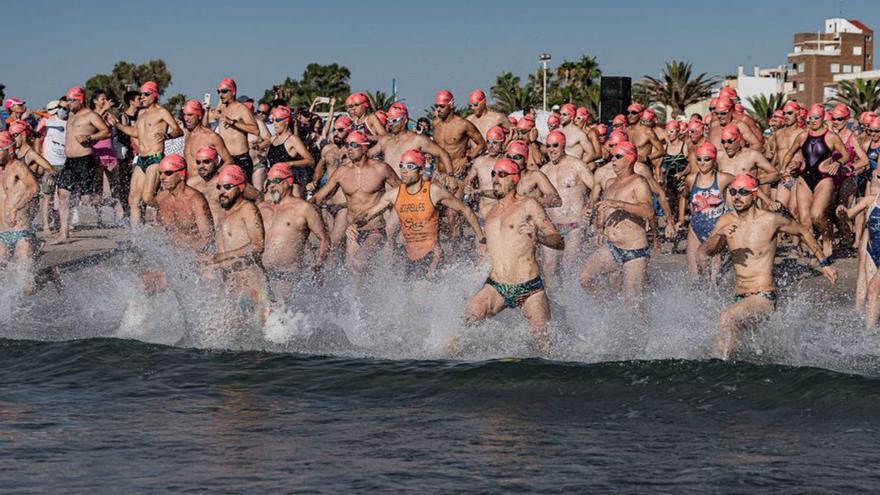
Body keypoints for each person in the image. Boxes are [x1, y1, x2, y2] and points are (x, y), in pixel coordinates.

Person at [700, 173, 837, 360]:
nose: (737, 197)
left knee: (727, 318)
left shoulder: (770, 220)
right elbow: (709, 251)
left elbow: (803, 231)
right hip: (740, 297)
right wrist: (720, 235)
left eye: (743, 192)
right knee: (723, 339)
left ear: (754, 194)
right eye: (733, 192)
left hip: (762, 297)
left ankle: (725, 371)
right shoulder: (725, 222)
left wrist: (824, 264)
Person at [451, 157, 563, 355]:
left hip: (529, 288)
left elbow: (558, 241)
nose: (496, 178)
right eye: (493, 174)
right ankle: (445, 372)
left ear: (515, 179)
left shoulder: (528, 205)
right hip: (496, 286)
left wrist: (538, 237)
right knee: (463, 328)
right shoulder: (490, 211)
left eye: (502, 174)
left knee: (545, 346)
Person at [353, 149, 485, 280]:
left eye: (410, 166)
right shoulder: (394, 194)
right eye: (402, 166)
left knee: (420, 294)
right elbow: (367, 215)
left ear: (421, 170)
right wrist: (353, 224)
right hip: (409, 255)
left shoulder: (433, 191)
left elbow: (465, 210)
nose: (404, 170)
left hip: (432, 254)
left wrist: (481, 239)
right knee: (408, 295)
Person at [312, 131, 400, 274]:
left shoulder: (381, 168)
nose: (349, 149)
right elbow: (319, 197)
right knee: (354, 272)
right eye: (347, 145)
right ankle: (373, 293)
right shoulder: (342, 172)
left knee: (359, 263)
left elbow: (402, 191)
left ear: (365, 147)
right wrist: (304, 206)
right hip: (352, 231)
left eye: (353, 145)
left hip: (374, 229)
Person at [579, 142, 654, 307]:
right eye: (612, 156)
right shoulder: (610, 184)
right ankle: (610, 307)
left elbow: (648, 211)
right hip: (612, 247)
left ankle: (646, 330)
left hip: (634, 250)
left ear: (630, 158)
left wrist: (619, 204)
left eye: (618, 156)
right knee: (585, 278)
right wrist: (599, 228)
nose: (613, 160)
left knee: (632, 304)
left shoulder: (638, 181)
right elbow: (605, 211)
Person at [106, 81, 183, 227]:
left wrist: (167, 136)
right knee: (133, 199)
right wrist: (117, 125)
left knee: (148, 198)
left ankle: (171, 207)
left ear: (154, 95)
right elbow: (135, 132)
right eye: (141, 94)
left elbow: (178, 130)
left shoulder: (162, 112)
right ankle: (136, 239)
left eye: (146, 94)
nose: (142, 97)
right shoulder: (141, 113)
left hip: (155, 157)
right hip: (141, 158)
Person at [781, 103, 851, 257]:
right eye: (810, 118)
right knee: (805, 221)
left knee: (817, 215)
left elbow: (846, 155)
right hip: (805, 178)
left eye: (816, 118)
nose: (812, 121)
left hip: (824, 179)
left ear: (822, 118)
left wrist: (837, 163)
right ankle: (817, 254)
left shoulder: (831, 137)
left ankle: (827, 237)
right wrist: (784, 168)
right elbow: (789, 152)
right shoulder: (802, 136)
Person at [258, 163, 329, 300]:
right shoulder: (262, 208)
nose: (272, 185)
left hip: (287, 276)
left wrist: (318, 265)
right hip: (262, 273)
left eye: (276, 181)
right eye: (269, 181)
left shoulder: (304, 208)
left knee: (280, 316)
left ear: (289, 182)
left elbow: (324, 239)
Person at [210, 164, 270, 325]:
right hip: (232, 286)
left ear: (241, 187)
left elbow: (258, 245)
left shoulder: (248, 209)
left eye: (228, 187)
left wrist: (223, 257)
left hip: (252, 286)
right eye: (219, 187)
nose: (222, 191)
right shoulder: (224, 214)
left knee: (261, 339)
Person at [54, 86, 111, 243]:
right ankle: (64, 234)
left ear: (80, 100)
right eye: (67, 100)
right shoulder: (71, 116)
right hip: (69, 161)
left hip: (85, 160)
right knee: (63, 194)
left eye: (71, 100)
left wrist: (90, 138)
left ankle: (112, 202)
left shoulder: (90, 115)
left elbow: (106, 131)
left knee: (86, 200)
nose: (68, 104)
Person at [539, 130, 594, 286]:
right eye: (548, 146)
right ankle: (558, 304)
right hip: (551, 227)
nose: (551, 149)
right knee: (549, 269)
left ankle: (573, 304)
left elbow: (597, 188)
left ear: (563, 146)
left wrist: (589, 208)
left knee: (569, 267)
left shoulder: (577, 165)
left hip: (574, 225)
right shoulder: (543, 171)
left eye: (555, 145)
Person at [682, 143, 733, 281]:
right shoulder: (691, 179)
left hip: (716, 228)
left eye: (707, 159)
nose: (702, 163)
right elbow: (684, 196)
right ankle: (696, 301)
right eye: (699, 159)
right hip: (695, 228)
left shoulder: (722, 178)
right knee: (694, 276)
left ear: (714, 159)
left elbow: (745, 185)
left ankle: (715, 296)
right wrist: (680, 219)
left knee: (712, 278)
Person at [0, 131, 40, 294]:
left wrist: (16, 208)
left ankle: (48, 276)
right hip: (2, 231)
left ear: (9, 150)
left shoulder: (18, 167)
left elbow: (34, 188)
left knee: (27, 286)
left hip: (20, 229)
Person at [154, 154, 214, 253]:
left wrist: (184, 254)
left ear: (182, 174)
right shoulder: (161, 198)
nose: (162, 177)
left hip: (196, 253)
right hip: (173, 254)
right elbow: (159, 232)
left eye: (168, 173)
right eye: (160, 173)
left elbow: (207, 239)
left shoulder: (195, 200)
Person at [213, 78, 261, 180]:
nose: (221, 95)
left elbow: (255, 130)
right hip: (226, 159)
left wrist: (234, 123)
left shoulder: (241, 109)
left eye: (224, 91)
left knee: (243, 193)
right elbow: (213, 116)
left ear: (233, 92)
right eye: (218, 92)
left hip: (241, 159)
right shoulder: (222, 109)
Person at [35, 100, 67, 235]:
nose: (62, 110)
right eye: (60, 107)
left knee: (63, 196)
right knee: (47, 196)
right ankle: (46, 226)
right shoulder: (46, 121)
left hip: (65, 163)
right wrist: (39, 160)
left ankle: (63, 226)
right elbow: (37, 138)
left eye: (64, 108)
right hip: (50, 163)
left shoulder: (71, 121)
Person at [266, 105, 315, 194]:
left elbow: (310, 161)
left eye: (277, 120)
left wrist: (289, 163)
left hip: (290, 182)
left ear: (286, 121)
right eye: (273, 120)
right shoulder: (273, 139)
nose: (275, 123)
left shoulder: (292, 139)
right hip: (274, 180)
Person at [181, 99, 233, 179]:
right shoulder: (188, 135)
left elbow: (229, 161)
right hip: (189, 185)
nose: (186, 119)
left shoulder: (211, 136)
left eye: (190, 115)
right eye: (185, 115)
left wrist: (212, 178)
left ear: (199, 116)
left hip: (204, 186)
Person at [464, 125, 506, 219]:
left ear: (502, 143)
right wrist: (468, 187)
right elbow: (468, 180)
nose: (491, 146)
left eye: (495, 142)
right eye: (488, 142)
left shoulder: (506, 163)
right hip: (483, 210)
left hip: (501, 211)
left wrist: (480, 192)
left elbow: (504, 191)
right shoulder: (479, 161)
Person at [503, 140, 561, 208]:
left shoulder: (535, 176)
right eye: (508, 156)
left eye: (517, 157)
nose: (512, 160)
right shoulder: (505, 177)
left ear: (525, 160)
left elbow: (557, 200)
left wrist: (528, 203)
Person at [624, 103, 663, 172]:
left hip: (642, 168)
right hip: (627, 167)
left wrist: (646, 158)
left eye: (633, 113)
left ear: (640, 114)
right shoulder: (626, 131)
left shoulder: (647, 131)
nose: (629, 116)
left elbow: (661, 151)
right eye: (628, 113)